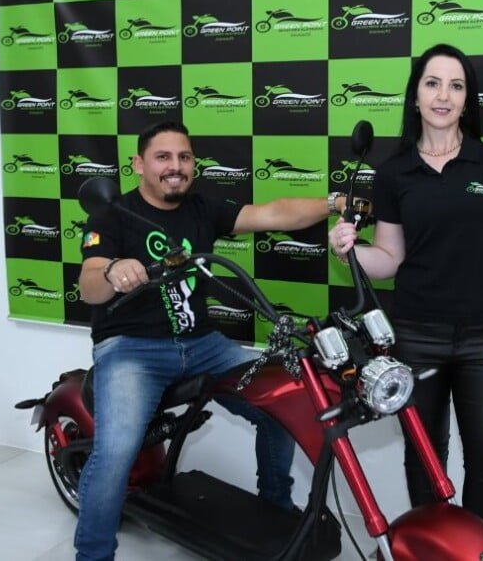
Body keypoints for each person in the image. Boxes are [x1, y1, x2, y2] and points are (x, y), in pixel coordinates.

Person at [76, 120, 349, 561]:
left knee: (280, 407)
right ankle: (92, 555)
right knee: (117, 450)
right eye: (163, 157)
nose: (175, 166)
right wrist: (111, 270)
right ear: (139, 164)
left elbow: (274, 213)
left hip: (202, 344)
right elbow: (89, 285)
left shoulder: (202, 208)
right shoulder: (112, 214)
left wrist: (335, 203)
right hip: (131, 348)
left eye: (184, 157)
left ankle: (275, 508)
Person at [328, 43, 483, 529]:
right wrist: (348, 249)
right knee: (424, 458)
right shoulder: (393, 171)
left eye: (456, 86)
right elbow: (389, 259)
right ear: (416, 96)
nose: (444, 96)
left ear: (466, 99)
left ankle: (477, 552)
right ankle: (431, 550)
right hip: (416, 337)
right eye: (433, 83)